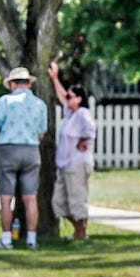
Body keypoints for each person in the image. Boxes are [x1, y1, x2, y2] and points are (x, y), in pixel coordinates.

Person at [0, 67, 48, 249]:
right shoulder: (40, 104)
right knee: (30, 197)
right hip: (31, 150)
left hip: (9, 149)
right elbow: (42, 133)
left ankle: (6, 239)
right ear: (29, 84)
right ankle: (31, 239)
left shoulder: (6, 101)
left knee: (6, 198)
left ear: (13, 84)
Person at [49, 61, 97, 241]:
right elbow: (62, 95)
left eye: (71, 97)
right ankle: (78, 230)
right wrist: (55, 78)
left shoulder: (82, 113)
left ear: (79, 99)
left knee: (77, 200)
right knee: (58, 202)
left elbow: (92, 129)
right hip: (64, 165)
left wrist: (84, 140)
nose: (67, 99)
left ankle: (81, 233)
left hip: (77, 163)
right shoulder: (71, 114)